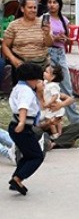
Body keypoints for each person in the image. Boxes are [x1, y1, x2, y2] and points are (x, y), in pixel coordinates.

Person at [7, 62, 45, 196]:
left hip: (16, 125)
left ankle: (16, 178)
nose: (39, 83)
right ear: (30, 79)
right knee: (37, 156)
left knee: (28, 154)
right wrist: (22, 122)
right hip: (22, 127)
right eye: (37, 80)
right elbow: (23, 107)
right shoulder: (26, 91)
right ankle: (18, 179)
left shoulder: (19, 87)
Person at [44, 0, 79, 124]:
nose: (52, 5)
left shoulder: (64, 20)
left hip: (60, 53)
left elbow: (68, 39)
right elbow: (43, 38)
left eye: (54, 2)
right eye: (49, 2)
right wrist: (55, 38)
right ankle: (48, 118)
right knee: (47, 86)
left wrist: (65, 39)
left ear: (59, 4)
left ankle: (75, 120)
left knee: (67, 86)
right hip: (49, 53)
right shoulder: (45, 18)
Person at [2, 0, 53, 77]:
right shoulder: (14, 25)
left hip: (41, 67)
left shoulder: (43, 24)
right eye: (30, 7)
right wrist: (13, 59)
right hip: (21, 67)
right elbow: (5, 46)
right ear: (22, 9)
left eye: (35, 8)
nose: (33, 10)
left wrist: (47, 34)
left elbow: (49, 44)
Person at [41, 63, 73, 139]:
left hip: (53, 106)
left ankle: (56, 134)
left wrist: (50, 103)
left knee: (53, 121)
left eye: (46, 72)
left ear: (53, 77)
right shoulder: (46, 82)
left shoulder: (53, 86)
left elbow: (55, 96)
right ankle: (59, 134)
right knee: (56, 121)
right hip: (51, 107)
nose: (44, 73)